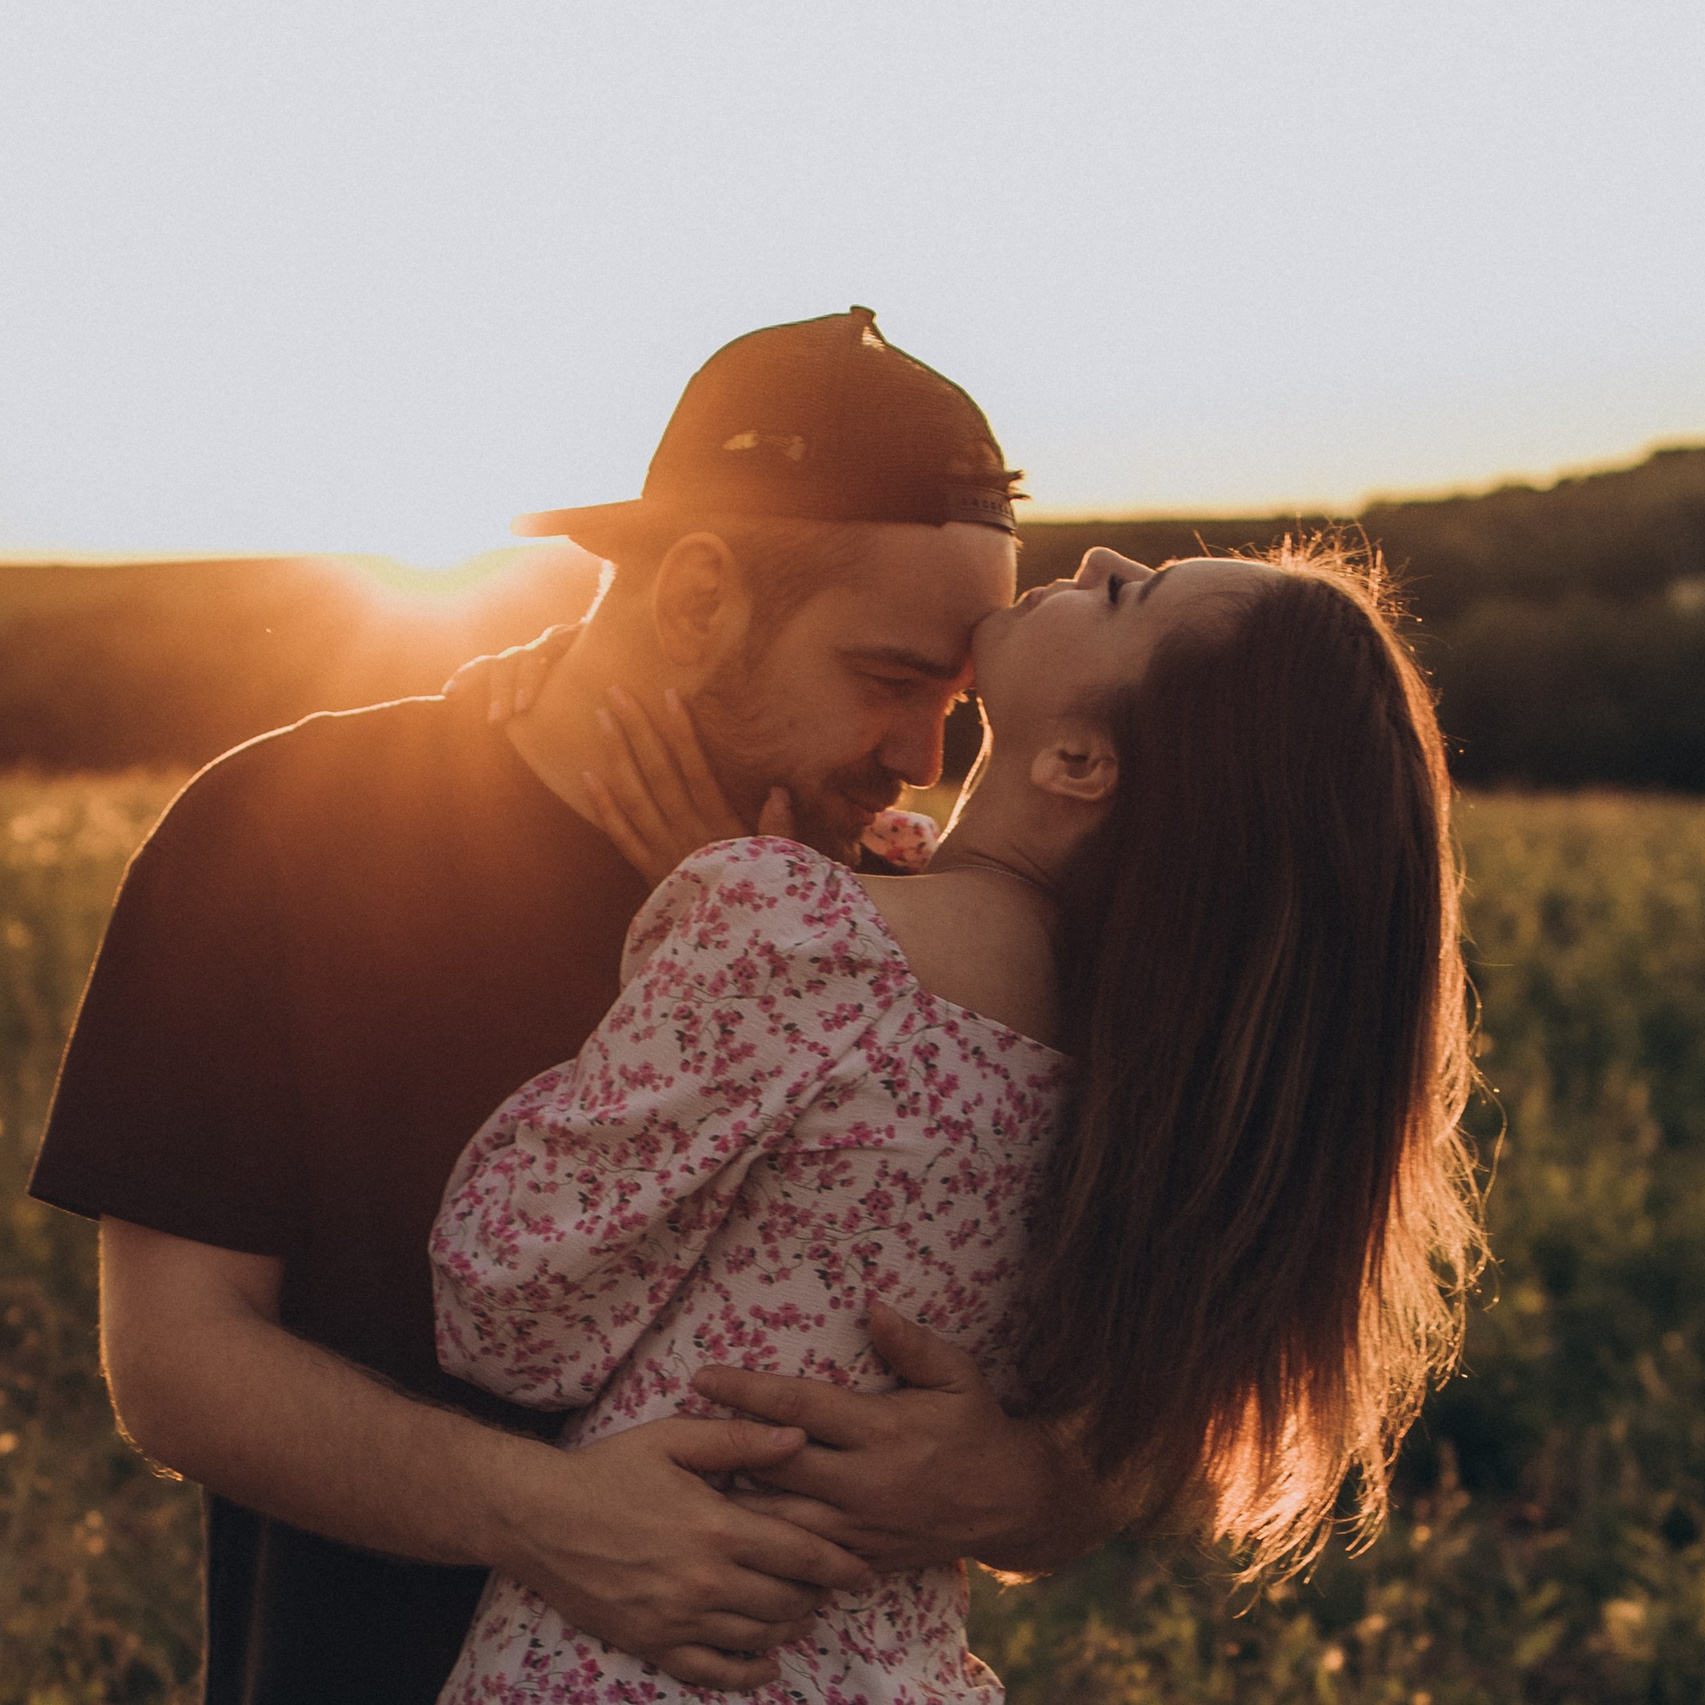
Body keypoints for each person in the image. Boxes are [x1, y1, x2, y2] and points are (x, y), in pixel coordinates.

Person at [27, 309, 1116, 1705]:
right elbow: (174, 1357)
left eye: (957, 703)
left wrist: (1032, 1489)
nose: (917, 757)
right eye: (889, 681)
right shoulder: (283, 831)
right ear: (698, 596)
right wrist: (548, 1516)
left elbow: (1144, 1379)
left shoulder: (890, 917)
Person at [428, 542, 1483, 1702]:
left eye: (1128, 594)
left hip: (639, 1662)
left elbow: (506, 1311)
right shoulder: (1158, 1061)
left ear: (1081, 762)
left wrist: (697, 949)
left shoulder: (794, 931)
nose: (1098, 554)